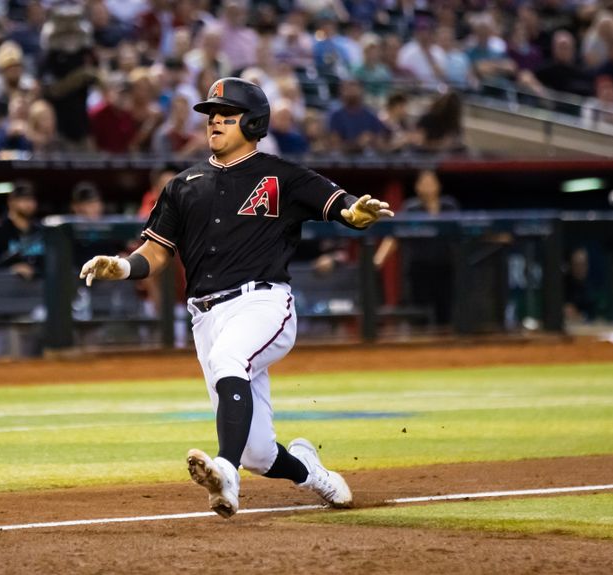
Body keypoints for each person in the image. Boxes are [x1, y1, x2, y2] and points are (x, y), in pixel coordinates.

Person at [80, 77, 394, 518]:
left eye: (226, 116)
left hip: (263, 303)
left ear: (254, 122)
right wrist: (122, 265)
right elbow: (155, 252)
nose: (215, 123)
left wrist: (356, 216)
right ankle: (313, 474)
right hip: (205, 317)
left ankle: (225, 472)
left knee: (230, 363)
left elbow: (340, 204)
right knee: (260, 453)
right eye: (211, 116)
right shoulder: (184, 184)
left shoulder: (281, 175)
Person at [374, 169, 459, 327]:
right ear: (417, 187)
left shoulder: (449, 206)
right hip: (419, 269)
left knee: (445, 314)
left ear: (438, 185)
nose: (428, 186)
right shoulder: (410, 209)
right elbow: (395, 236)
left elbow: (465, 231)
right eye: (424, 182)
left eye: (431, 182)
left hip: (446, 267)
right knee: (419, 315)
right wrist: (378, 259)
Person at [0, 180, 43, 280]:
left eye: (32, 200)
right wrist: (10, 270)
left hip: (39, 291)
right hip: (4, 290)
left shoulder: (41, 231)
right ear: (11, 202)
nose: (29, 204)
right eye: (24, 200)